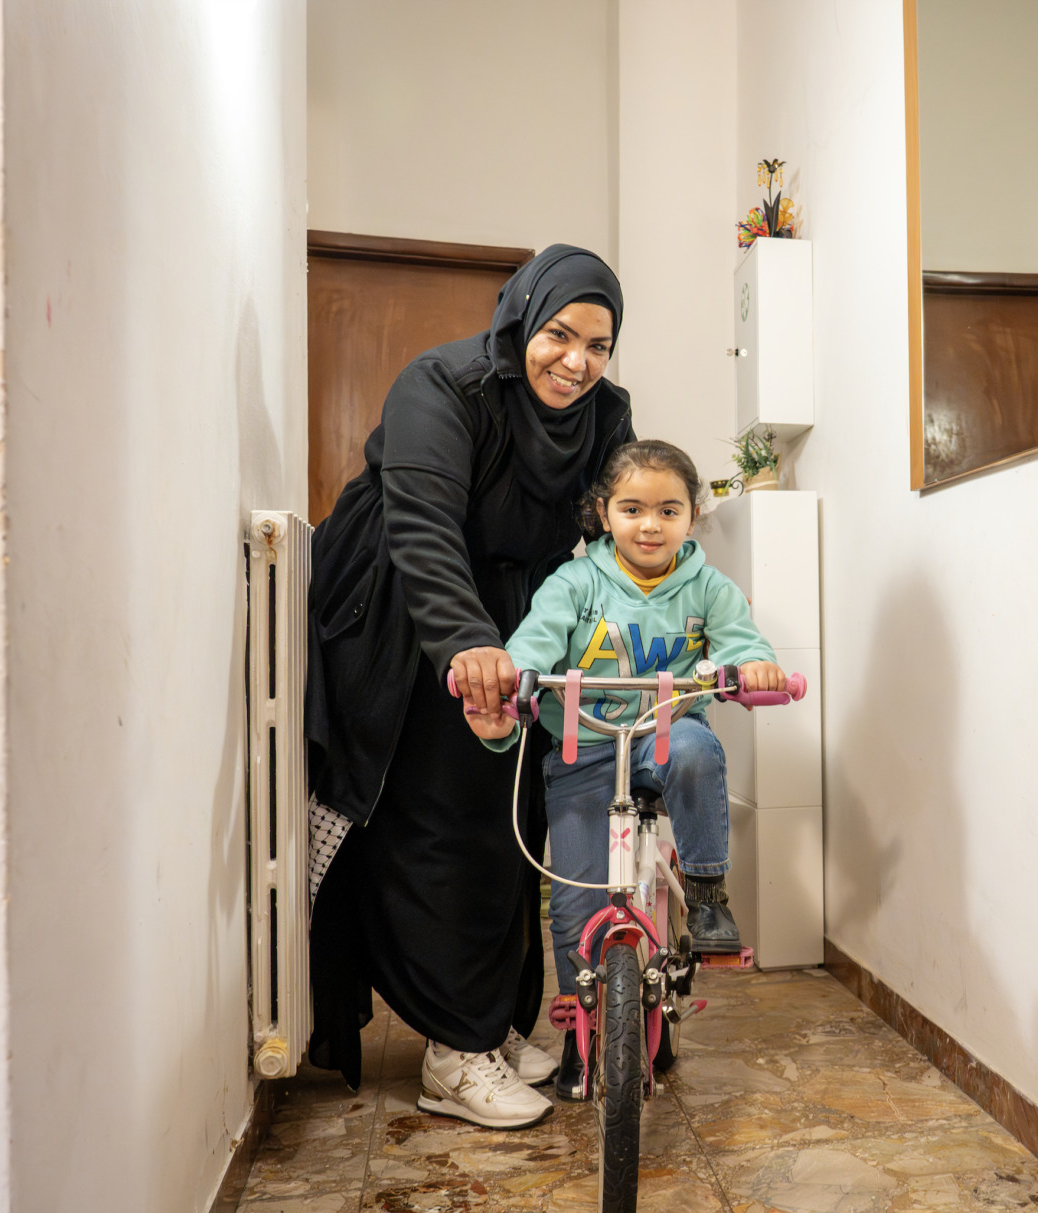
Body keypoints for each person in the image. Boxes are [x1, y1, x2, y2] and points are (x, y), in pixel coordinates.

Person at [303, 245, 634, 1131]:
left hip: (511, 615)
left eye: (598, 345)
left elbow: (619, 531)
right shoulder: (442, 386)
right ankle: (452, 1051)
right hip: (404, 598)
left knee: (510, 812)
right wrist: (466, 644)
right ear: (522, 314)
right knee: (441, 814)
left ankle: (490, 1023)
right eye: (559, 334)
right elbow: (420, 523)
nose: (576, 360)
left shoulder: (608, 413)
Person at [467, 440, 787, 1099]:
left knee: (701, 751)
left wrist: (753, 664)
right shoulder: (576, 581)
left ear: (692, 516)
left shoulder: (705, 584)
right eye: (633, 508)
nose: (649, 524)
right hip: (584, 750)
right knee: (576, 901)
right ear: (603, 513)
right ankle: (581, 1030)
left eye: (668, 510)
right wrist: (518, 676)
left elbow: (740, 640)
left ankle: (705, 894)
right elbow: (534, 638)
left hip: (664, 738)